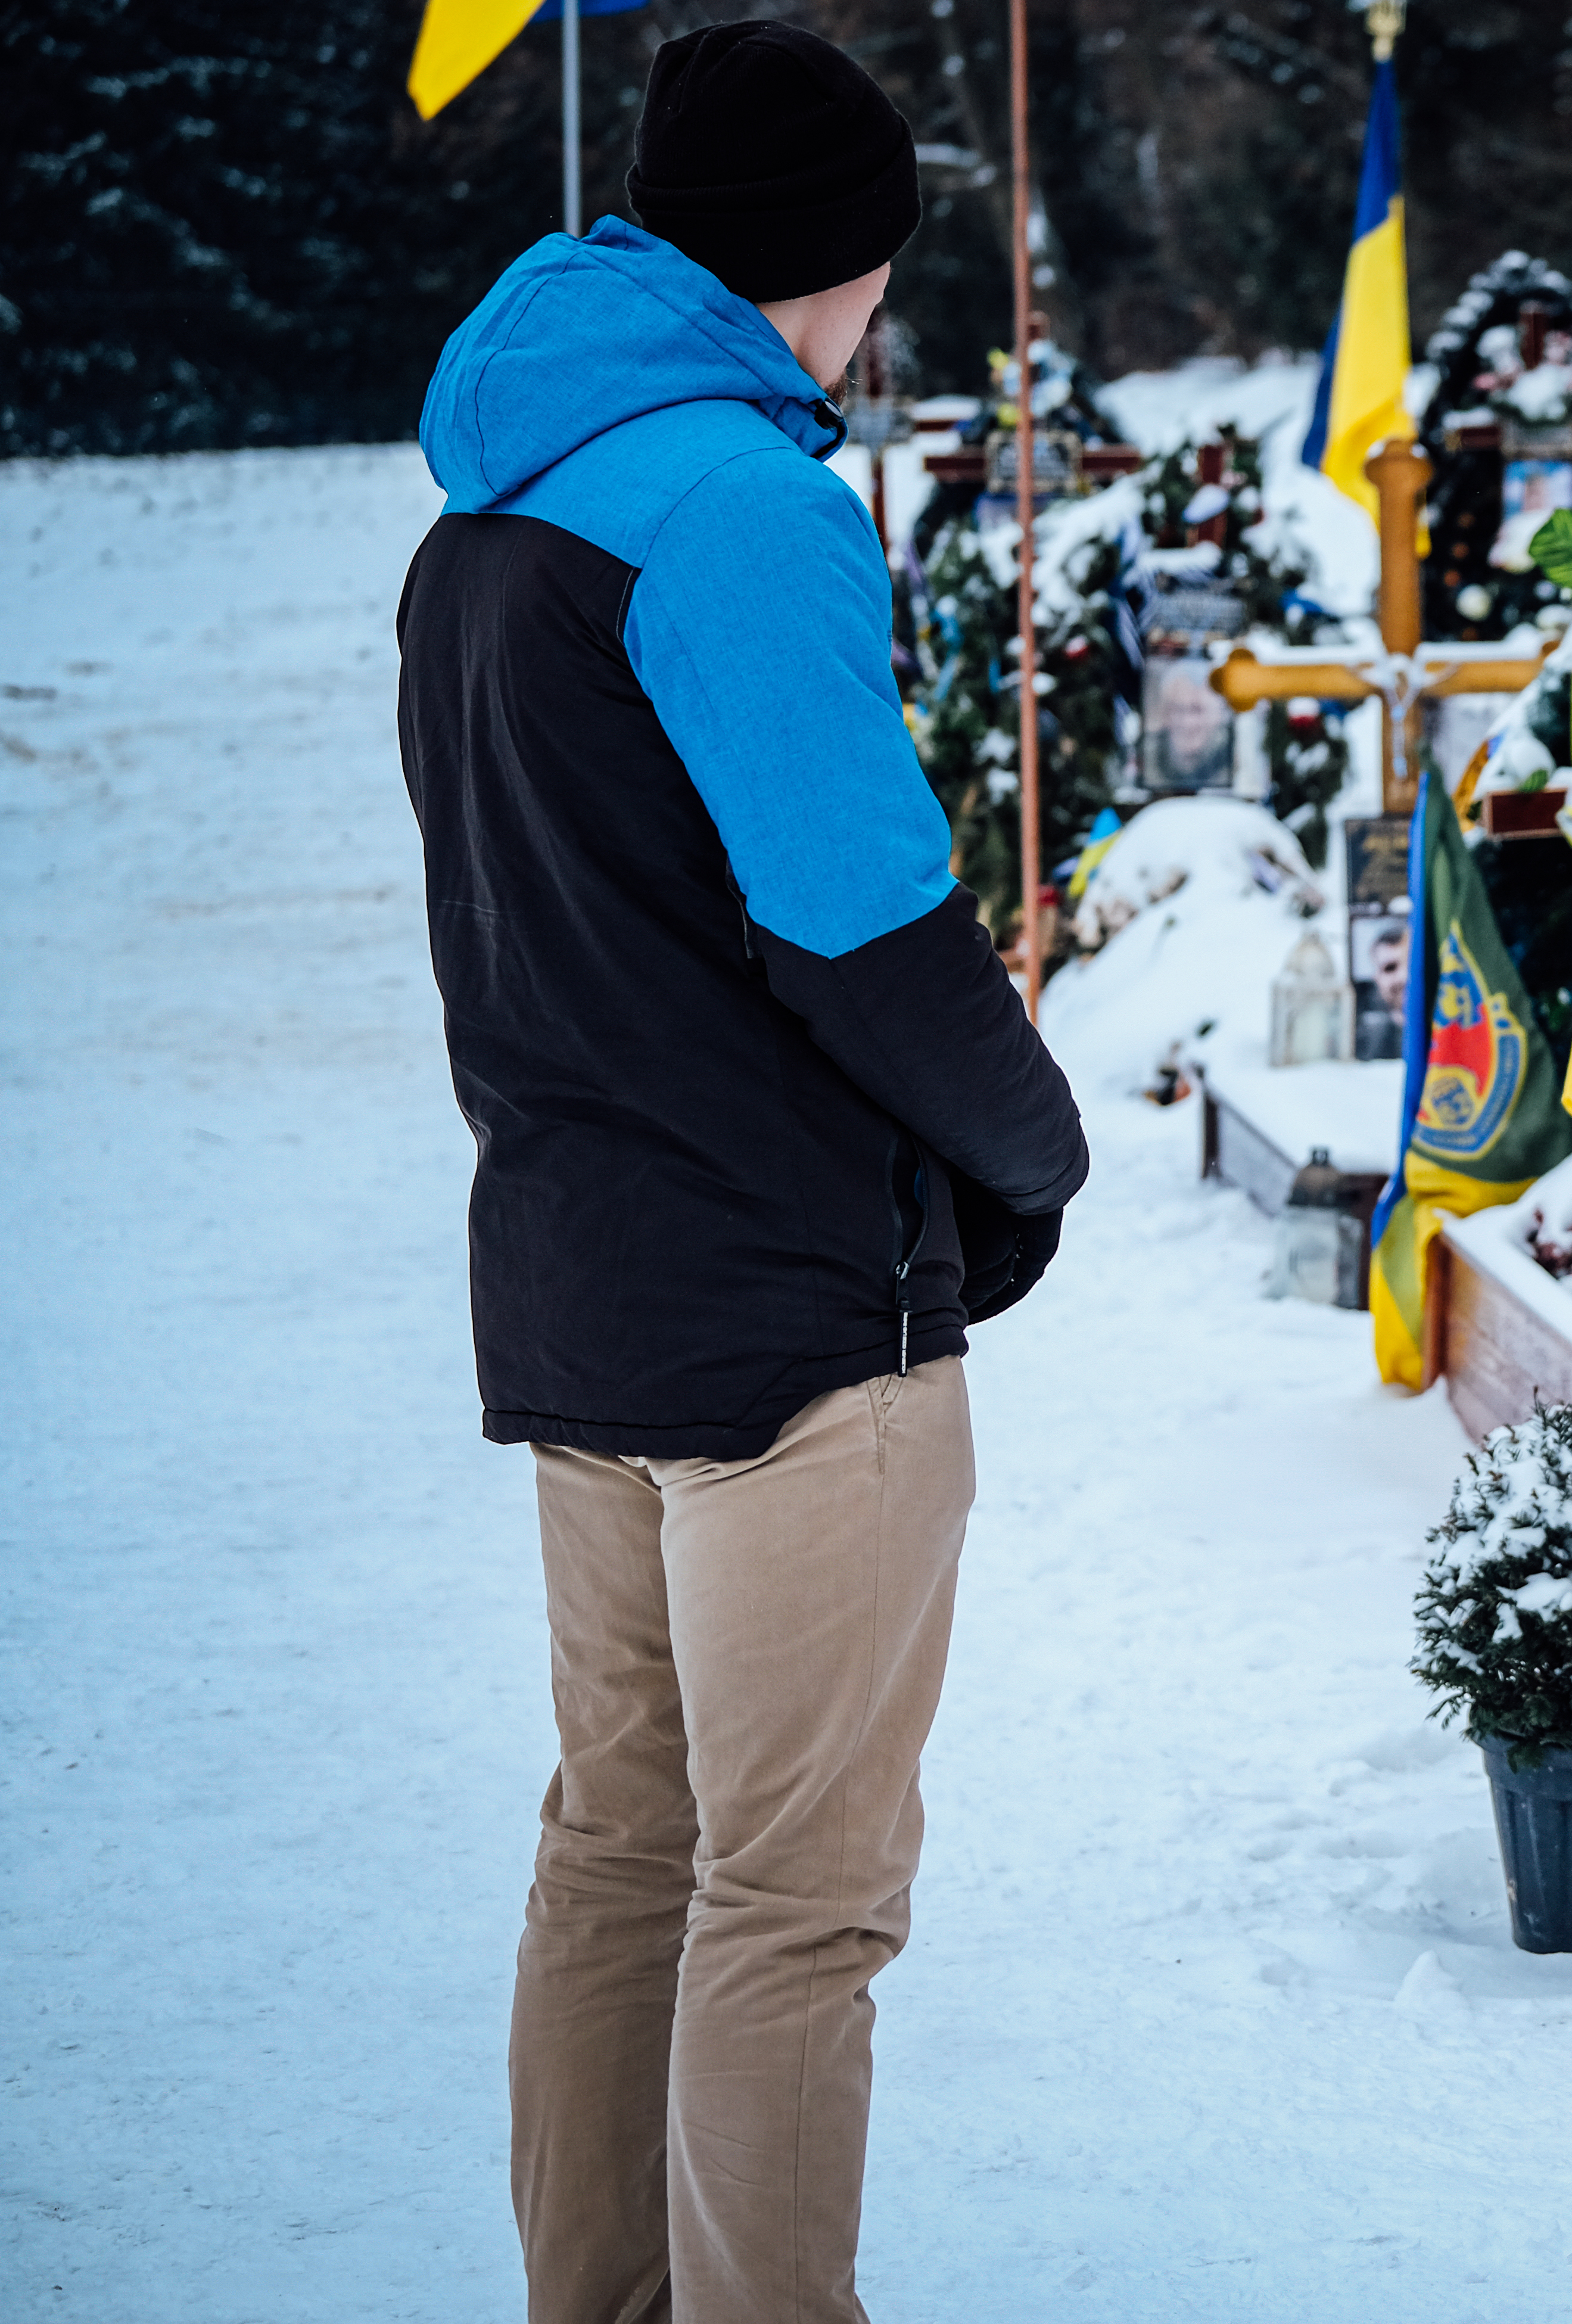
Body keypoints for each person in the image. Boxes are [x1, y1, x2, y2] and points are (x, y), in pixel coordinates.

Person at [394, 24, 1086, 2320]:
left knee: (620, 1843)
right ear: (827, 266)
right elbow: (860, 922)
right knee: (792, 1901)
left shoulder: (487, 509)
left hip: (579, 1278)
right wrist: (1030, 1151)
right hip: (793, 1319)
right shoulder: (736, 504)